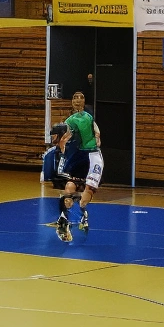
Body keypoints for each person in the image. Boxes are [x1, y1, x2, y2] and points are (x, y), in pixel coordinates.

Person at [57, 91, 102, 239]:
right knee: (70, 187)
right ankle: (64, 220)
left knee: (88, 190)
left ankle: (82, 214)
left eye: (80, 97)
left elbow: (97, 136)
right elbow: (63, 141)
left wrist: (95, 138)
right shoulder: (69, 121)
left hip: (93, 156)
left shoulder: (88, 117)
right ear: (71, 101)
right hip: (79, 156)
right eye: (75, 97)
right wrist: (63, 147)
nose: (77, 100)